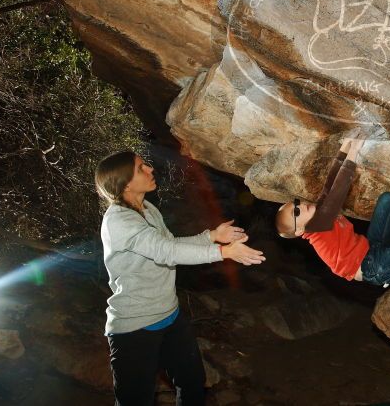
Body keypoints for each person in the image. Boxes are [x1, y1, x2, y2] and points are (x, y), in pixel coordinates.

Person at [95, 150, 265, 406]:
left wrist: (211, 236)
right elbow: (167, 252)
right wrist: (223, 252)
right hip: (134, 328)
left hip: (169, 316)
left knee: (193, 382)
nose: (150, 169)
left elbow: (169, 244)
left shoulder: (147, 209)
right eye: (142, 168)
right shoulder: (118, 221)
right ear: (125, 182)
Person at [275, 135, 390, 287]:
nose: (300, 207)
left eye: (296, 204)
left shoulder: (318, 215)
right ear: (300, 231)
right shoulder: (316, 228)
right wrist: (354, 152)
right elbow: (338, 192)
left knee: (389, 200)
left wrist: (345, 148)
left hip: (371, 248)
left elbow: (328, 187)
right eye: (296, 214)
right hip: (373, 269)